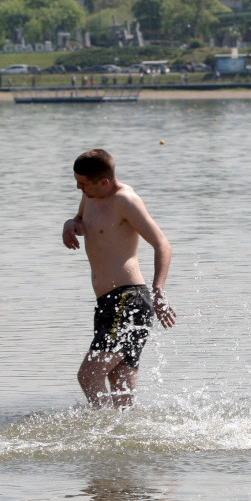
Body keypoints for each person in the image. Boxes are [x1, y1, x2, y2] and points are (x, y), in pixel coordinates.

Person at [62, 149, 177, 409]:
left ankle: (102, 435)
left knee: (89, 375)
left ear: (104, 182)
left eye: (83, 183)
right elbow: (82, 220)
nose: (78, 187)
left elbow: (163, 244)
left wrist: (159, 291)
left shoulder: (125, 200)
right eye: (76, 181)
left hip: (127, 301)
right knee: (122, 392)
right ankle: (129, 441)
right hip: (108, 304)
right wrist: (71, 224)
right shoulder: (90, 195)